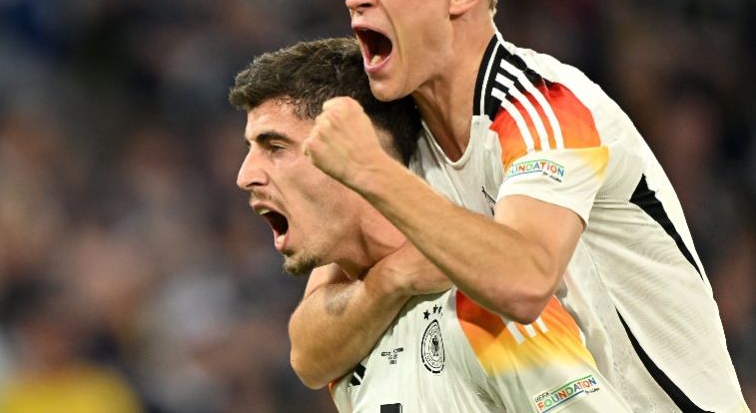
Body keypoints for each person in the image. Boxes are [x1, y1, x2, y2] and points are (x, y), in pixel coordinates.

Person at [292, 0, 749, 412]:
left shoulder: (547, 106)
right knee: (379, 352)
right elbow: (310, 355)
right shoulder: (398, 136)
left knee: (476, 308)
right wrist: (390, 278)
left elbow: (525, 282)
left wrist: (371, 173)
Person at [230, 37, 631, 412]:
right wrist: (392, 278)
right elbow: (306, 356)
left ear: (352, 146)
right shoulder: (353, 335)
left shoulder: (484, 310)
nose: (245, 176)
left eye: (275, 146)